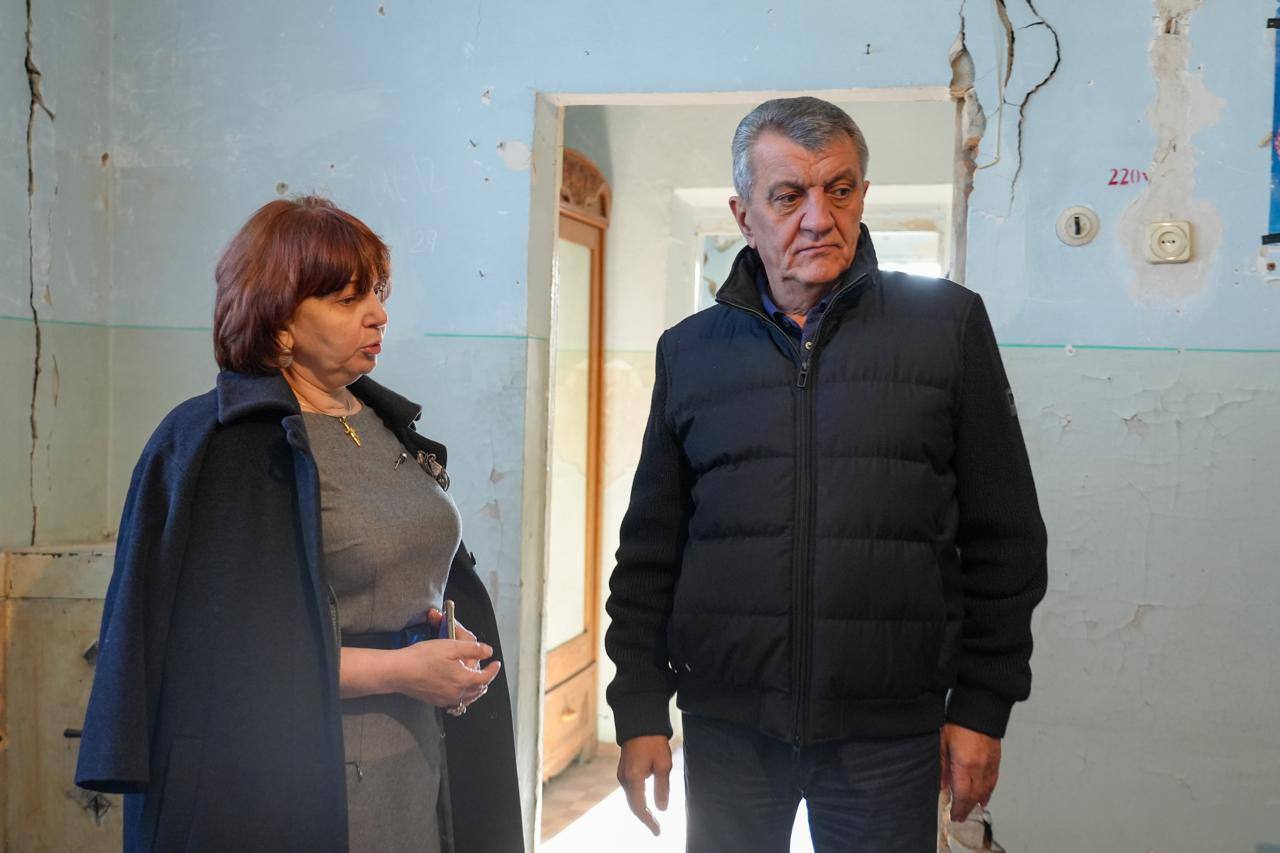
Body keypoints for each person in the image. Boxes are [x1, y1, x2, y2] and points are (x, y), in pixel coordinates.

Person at [604, 97, 1048, 852]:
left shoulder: (947, 328)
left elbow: (1005, 538)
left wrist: (981, 705)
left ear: (863, 196)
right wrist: (641, 705)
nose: (819, 218)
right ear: (744, 216)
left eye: (839, 190)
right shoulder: (690, 351)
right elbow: (651, 549)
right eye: (789, 196)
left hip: (888, 736)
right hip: (729, 730)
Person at [75, 196, 523, 853]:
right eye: (347, 298)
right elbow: (213, 659)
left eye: (376, 292)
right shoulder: (223, 443)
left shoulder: (381, 422)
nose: (378, 314)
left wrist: (433, 639)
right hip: (291, 783)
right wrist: (399, 670)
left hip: (416, 757)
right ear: (278, 320)